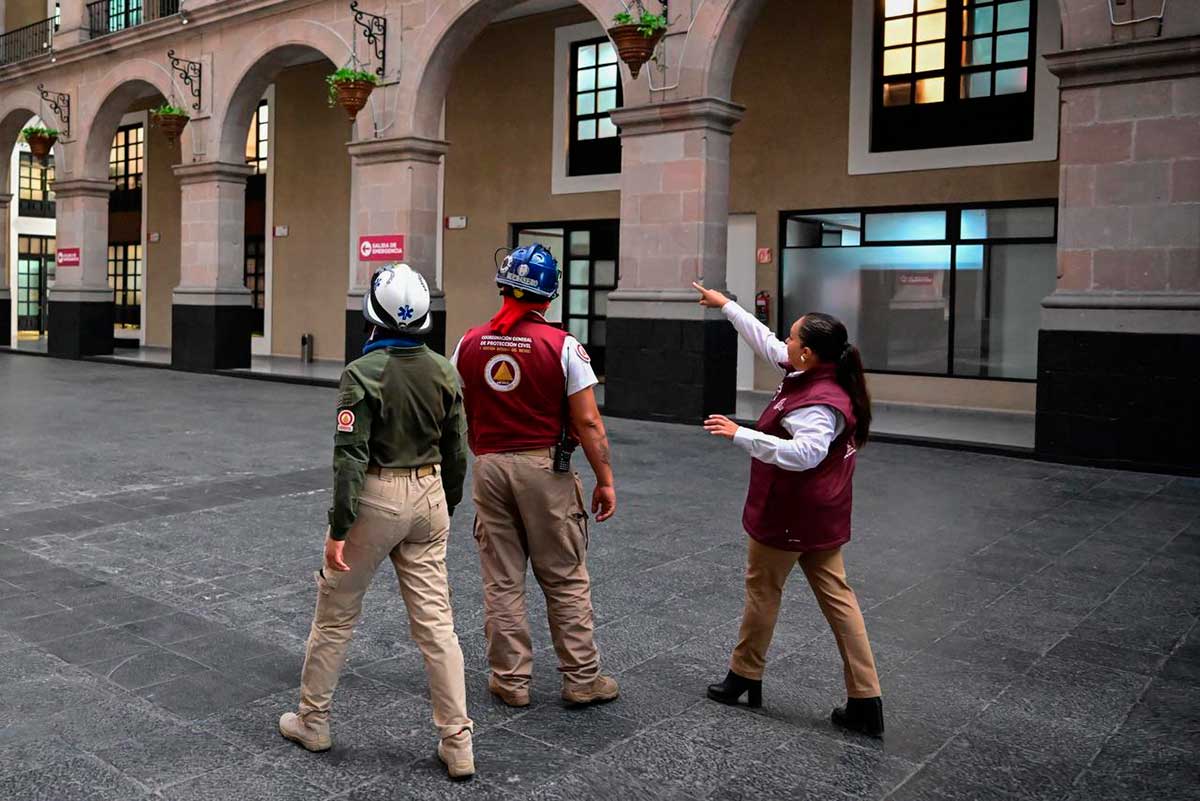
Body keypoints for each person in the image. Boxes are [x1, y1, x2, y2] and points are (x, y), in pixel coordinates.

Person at [278, 263, 476, 780]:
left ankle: (313, 721)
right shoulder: (444, 370)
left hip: (377, 496)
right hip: (430, 495)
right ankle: (458, 742)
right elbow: (458, 447)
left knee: (336, 615)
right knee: (437, 626)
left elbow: (349, 458)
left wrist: (338, 528)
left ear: (374, 314)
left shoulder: (361, 373)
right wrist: (447, 501)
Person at [694, 281, 885, 739]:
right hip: (823, 516)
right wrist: (726, 307)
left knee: (763, 591)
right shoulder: (820, 373)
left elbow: (805, 455)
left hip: (789, 515)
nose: (786, 340)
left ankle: (744, 676)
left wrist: (739, 434)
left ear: (808, 354)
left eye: (794, 337)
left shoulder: (818, 404)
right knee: (839, 600)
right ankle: (866, 699)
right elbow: (765, 341)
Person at [450, 243, 619, 709]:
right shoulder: (564, 347)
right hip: (545, 469)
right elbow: (587, 423)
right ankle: (582, 679)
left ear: (503, 285)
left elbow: (457, 406)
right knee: (564, 576)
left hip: (489, 466)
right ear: (548, 296)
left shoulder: (468, 342)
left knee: (502, 580)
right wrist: (604, 478)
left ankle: (510, 680)